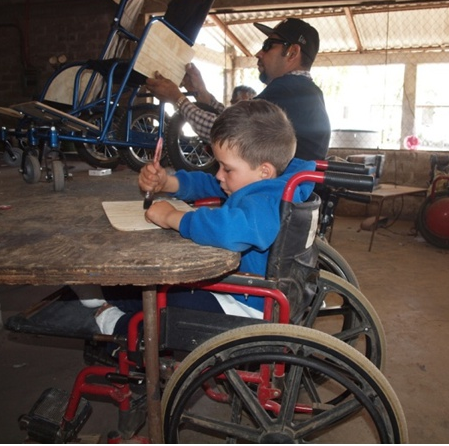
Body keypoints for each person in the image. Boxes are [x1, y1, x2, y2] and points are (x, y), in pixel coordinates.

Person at [82, 99, 316, 336]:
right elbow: (213, 185)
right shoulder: (274, 180)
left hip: (248, 305)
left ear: (264, 170)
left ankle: (116, 324)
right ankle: (104, 294)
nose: (218, 174)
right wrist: (168, 182)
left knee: (169, 305)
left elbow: (229, 231)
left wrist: (173, 217)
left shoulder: (267, 201)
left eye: (227, 168)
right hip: (248, 291)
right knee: (167, 290)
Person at [146, 17, 331, 161]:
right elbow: (240, 122)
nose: (259, 53)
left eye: (268, 46)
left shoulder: (289, 91)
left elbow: (227, 133)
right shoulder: (302, 92)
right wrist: (203, 95)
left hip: (282, 199)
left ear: (292, 52)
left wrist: (177, 99)